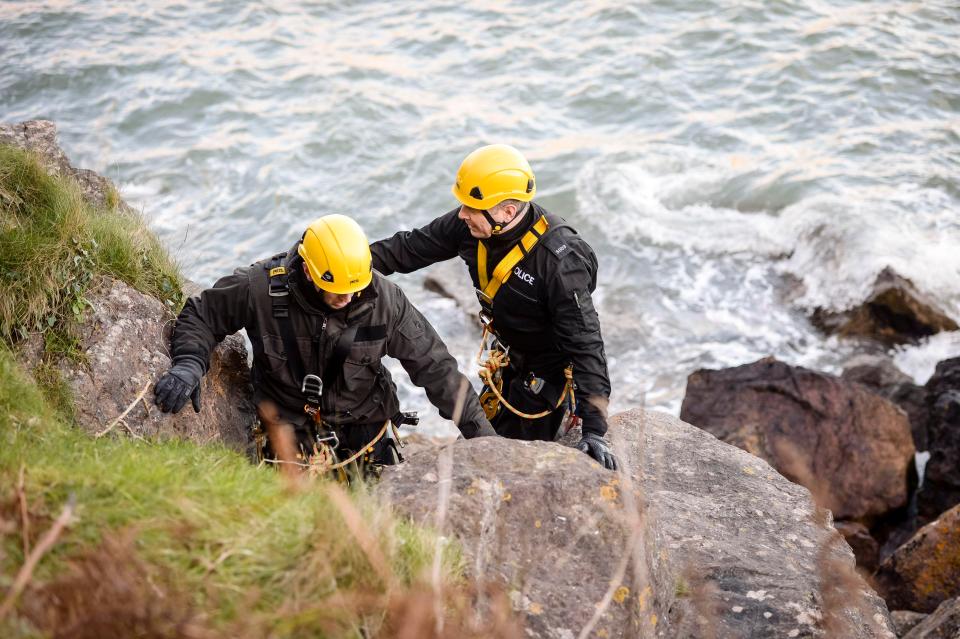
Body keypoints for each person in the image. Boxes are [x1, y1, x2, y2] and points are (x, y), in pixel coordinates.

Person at [154, 214, 496, 475]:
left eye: (355, 288)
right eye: (336, 289)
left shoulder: (386, 302)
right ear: (307, 270)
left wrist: (487, 444)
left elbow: (437, 370)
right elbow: (202, 315)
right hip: (287, 427)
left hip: (364, 429)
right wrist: (189, 364)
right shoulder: (258, 288)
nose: (346, 298)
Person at [370, 144, 617, 470]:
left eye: (472, 208)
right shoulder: (470, 225)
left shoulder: (559, 262)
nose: (461, 214)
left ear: (508, 212)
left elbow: (586, 343)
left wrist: (595, 429)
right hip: (508, 358)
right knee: (477, 448)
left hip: (548, 374)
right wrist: (347, 266)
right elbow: (406, 249)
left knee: (509, 467)